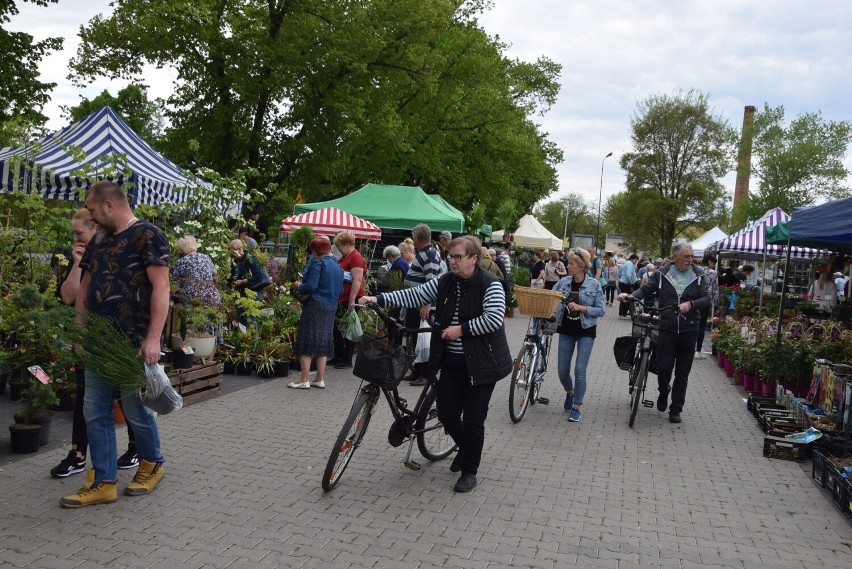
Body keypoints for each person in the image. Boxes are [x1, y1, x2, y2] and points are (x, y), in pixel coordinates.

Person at [358, 235, 511, 493]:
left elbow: (494, 318)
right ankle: (465, 448)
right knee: (448, 414)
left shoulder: (490, 284)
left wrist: (460, 330)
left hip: (483, 364)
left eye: (458, 257)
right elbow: (416, 294)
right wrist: (378, 300)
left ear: (474, 258)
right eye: (450, 256)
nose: (452, 261)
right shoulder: (445, 281)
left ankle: (469, 471)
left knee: (474, 419)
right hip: (451, 362)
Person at [61, 181, 170, 508]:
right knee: (94, 411)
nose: (91, 218)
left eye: (93, 210)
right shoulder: (99, 241)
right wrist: (81, 332)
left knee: (136, 411)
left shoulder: (148, 236)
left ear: (109, 205)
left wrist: (153, 338)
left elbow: (161, 287)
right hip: (99, 342)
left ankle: (152, 464)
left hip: (133, 343)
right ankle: (104, 481)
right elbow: (84, 289)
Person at [50, 208, 138, 478]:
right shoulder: (72, 257)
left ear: (95, 230)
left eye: (79, 233)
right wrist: (77, 263)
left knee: (126, 395)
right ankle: (78, 453)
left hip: (117, 336)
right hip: (86, 338)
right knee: (84, 397)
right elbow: (67, 297)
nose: (74, 238)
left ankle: (136, 447)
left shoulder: (114, 254)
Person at [618, 243, 710, 424]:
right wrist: (632, 296)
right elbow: (647, 289)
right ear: (675, 257)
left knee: (682, 373)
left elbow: (707, 298)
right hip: (666, 327)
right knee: (663, 367)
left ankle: (676, 409)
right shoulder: (661, 274)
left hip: (689, 328)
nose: (690, 260)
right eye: (686, 257)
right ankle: (663, 390)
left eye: (691, 257)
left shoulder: (699, 275)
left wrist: (691, 304)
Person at [553, 248, 605, 423]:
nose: (568, 266)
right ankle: (570, 391)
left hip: (586, 331)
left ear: (582, 266)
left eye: (571, 263)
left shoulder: (594, 285)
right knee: (562, 371)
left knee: (580, 370)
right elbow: (550, 296)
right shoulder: (563, 283)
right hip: (566, 331)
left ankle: (576, 407)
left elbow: (601, 310)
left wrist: (582, 308)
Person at [288, 238, 344, 389]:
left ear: (314, 251)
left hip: (315, 304)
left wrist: (299, 285)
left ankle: (304, 379)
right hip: (331, 305)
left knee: (306, 338)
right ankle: (319, 378)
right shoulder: (337, 265)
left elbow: (311, 286)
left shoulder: (318, 262)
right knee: (323, 341)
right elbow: (341, 290)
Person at [401, 224, 442, 386]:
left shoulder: (430, 254)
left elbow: (432, 281)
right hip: (415, 304)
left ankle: (425, 374)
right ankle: (417, 370)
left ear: (417, 238)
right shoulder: (425, 253)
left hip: (422, 307)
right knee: (415, 338)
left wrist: (426, 305)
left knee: (423, 341)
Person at [328, 232, 367, 369]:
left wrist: (351, 301)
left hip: (351, 298)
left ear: (346, 244)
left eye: (339, 246)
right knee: (338, 328)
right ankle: (338, 355)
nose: (338, 249)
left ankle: (347, 359)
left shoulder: (355, 257)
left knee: (349, 329)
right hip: (342, 297)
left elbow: (357, 280)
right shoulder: (346, 256)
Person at [172, 235, 222, 308]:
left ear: (181, 249)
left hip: (192, 301)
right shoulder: (206, 257)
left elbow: (175, 285)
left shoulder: (181, 262)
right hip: (212, 298)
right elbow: (215, 278)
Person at [228, 239, 267, 326]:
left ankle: (251, 338)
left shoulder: (250, 258)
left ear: (239, 249)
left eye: (233, 252)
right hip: (240, 294)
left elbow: (258, 277)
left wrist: (242, 282)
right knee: (241, 319)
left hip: (252, 293)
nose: (231, 254)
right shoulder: (235, 260)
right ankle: (244, 338)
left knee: (250, 320)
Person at [695, 253, 718, 359]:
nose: (713, 266)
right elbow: (715, 289)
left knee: (692, 323)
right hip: (706, 300)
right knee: (702, 325)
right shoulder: (713, 273)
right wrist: (715, 302)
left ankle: (689, 348)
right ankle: (698, 350)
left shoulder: (696, 270)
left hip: (694, 299)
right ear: (709, 262)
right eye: (713, 263)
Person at [617, 254, 639, 318]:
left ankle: (621, 313)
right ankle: (623, 314)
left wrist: (620, 279)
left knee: (623, 298)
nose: (636, 262)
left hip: (622, 282)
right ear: (632, 258)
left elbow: (619, 273)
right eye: (636, 260)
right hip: (626, 283)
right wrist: (631, 283)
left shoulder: (625, 263)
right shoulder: (630, 264)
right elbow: (628, 274)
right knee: (626, 298)